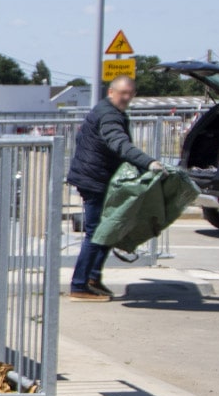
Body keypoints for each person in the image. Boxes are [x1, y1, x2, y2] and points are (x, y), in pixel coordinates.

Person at [65, 76, 161, 302]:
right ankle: (79, 286)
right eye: (122, 93)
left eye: (130, 93)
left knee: (108, 230)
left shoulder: (109, 111)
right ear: (111, 92)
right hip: (94, 181)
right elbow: (118, 143)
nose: (126, 97)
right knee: (97, 234)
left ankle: (93, 278)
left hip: (99, 179)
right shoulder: (108, 114)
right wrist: (148, 162)